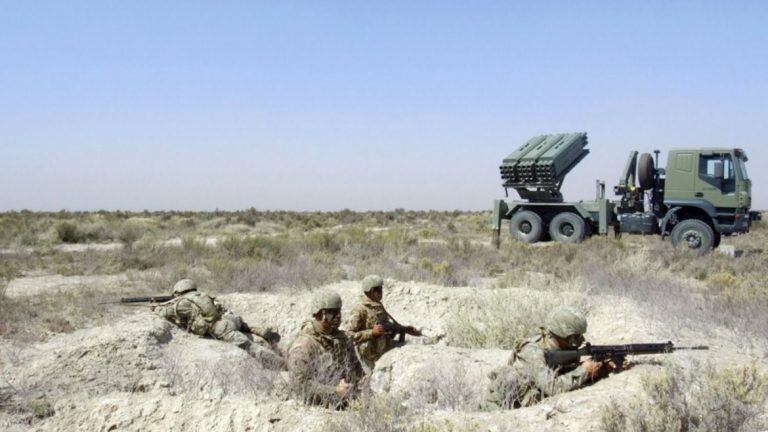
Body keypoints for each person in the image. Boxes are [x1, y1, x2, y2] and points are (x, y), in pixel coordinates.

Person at [484, 306, 617, 409]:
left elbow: (564, 374)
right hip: (501, 408)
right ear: (562, 334)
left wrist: (600, 370)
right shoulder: (532, 351)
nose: (581, 340)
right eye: (575, 336)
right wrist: (584, 370)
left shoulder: (562, 348)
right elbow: (553, 387)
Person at [152, 279, 283, 368]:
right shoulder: (202, 295)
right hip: (232, 319)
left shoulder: (183, 302)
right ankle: (261, 331)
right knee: (243, 325)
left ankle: (280, 364)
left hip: (221, 328)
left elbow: (165, 312)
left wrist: (155, 307)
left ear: (178, 291)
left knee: (248, 346)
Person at [288, 290, 365, 409]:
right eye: (332, 312)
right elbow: (299, 384)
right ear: (319, 314)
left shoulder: (342, 339)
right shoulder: (304, 345)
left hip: (345, 401)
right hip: (315, 408)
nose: (338, 316)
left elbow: (357, 368)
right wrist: (334, 391)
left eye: (339, 311)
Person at [347, 275, 421, 371]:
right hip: (368, 358)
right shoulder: (359, 309)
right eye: (379, 290)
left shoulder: (378, 305)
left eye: (381, 290)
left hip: (383, 351)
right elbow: (349, 335)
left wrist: (405, 329)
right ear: (372, 291)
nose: (382, 293)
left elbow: (387, 325)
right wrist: (371, 333)